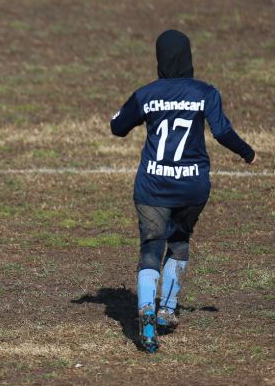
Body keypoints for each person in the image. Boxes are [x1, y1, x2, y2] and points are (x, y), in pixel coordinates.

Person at [110, 29, 256, 353]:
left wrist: (118, 116)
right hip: (192, 187)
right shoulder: (205, 92)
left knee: (151, 247)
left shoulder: (146, 94)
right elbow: (222, 131)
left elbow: (117, 127)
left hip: (152, 187)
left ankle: (146, 312)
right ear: (189, 58)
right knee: (178, 241)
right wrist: (247, 152)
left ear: (159, 60)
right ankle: (167, 309)